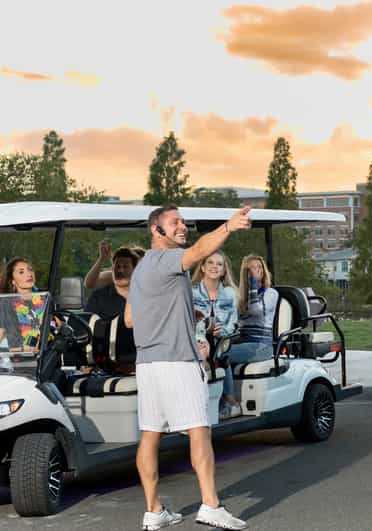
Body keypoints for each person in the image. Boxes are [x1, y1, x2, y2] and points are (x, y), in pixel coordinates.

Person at [125, 204, 250, 531]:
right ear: (156, 230)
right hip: (177, 361)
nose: (182, 226)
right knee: (199, 429)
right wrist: (229, 227)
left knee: (150, 434)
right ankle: (211, 505)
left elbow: (129, 319)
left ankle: (153, 511)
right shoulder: (167, 259)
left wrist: (178, 316)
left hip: (148, 363)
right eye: (174, 222)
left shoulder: (141, 270)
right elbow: (197, 251)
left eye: (183, 221)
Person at [191, 250, 240, 419]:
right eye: (210, 263)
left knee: (220, 351)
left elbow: (233, 323)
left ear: (224, 270)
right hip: (198, 337)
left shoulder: (230, 293)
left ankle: (230, 401)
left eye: (219, 264)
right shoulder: (192, 292)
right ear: (203, 267)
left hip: (222, 340)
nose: (214, 267)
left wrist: (222, 331)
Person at [226, 255, 279, 368]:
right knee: (215, 351)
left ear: (263, 271)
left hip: (261, 345)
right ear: (245, 273)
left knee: (223, 355)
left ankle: (227, 387)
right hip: (242, 342)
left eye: (259, 267)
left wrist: (253, 282)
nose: (256, 270)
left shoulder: (271, 293)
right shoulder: (240, 297)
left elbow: (255, 310)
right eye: (252, 268)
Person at [0, 258, 46, 352]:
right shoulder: (7, 303)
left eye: (30, 270)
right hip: (21, 361)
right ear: (13, 281)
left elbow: (59, 326)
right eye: (21, 272)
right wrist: (22, 349)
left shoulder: (45, 299)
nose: (29, 274)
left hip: (48, 358)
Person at [85, 247, 139, 320]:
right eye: (117, 266)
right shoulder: (99, 297)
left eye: (126, 267)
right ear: (112, 269)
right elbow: (86, 325)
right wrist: (102, 258)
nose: (121, 271)